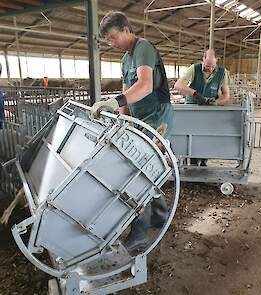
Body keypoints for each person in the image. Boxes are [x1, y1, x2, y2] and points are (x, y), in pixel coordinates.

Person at [91, 11, 174, 251]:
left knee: (138, 171)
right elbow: (127, 94)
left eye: (113, 37)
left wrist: (112, 102)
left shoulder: (143, 47)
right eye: (107, 40)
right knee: (148, 168)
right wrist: (123, 120)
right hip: (140, 118)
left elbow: (145, 85)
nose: (111, 43)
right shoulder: (125, 59)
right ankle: (159, 215)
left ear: (127, 30)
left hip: (158, 117)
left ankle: (140, 232)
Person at [174, 49, 230, 166]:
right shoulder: (194, 68)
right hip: (192, 108)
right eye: (207, 65)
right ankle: (190, 159)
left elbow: (226, 96)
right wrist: (195, 94)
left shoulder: (222, 73)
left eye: (212, 66)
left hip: (209, 111)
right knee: (190, 135)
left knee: (206, 136)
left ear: (217, 61)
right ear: (203, 59)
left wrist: (215, 103)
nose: (209, 69)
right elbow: (178, 85)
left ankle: (204, 160)